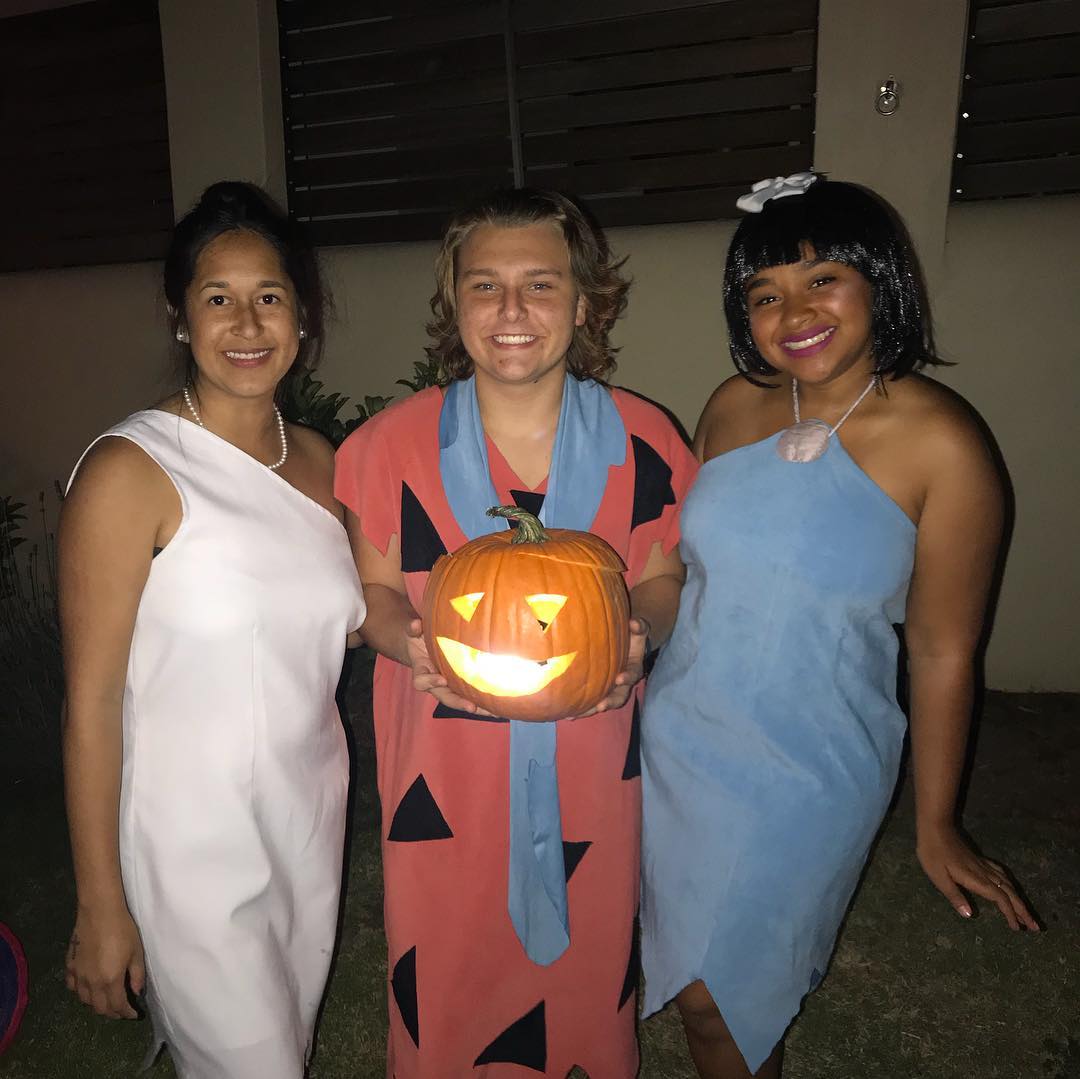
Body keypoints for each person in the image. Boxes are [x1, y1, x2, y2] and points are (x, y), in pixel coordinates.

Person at [640, 174, 1039, 1079]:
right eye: (765, 294)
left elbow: (942, 650)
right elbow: (688, 571)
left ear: (879, 281)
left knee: (728, 996)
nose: (794, 313)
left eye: (823, 279)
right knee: (690, 981)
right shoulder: (731, 406)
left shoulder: (944, 444)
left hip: (812, 762)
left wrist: (936, 822)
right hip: (681, 743)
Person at [335, 187, 697, 1077]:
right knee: (444, 970)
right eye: (484, 285)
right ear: (452, 301)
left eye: (540, 284)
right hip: (440, 774)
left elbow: (661, 576)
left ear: (584, 303)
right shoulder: (389, 446)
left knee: (587, 982)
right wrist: (409, 640)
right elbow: (371, 591)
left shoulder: (644, 439)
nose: (511, 311)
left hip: (591, 764)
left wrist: (639, 635)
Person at [59, 181, 366, 1077]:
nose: (247, 323)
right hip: (188, 843)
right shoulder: (130, 470)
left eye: (269, 296)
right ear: (180, 316)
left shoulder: (323, 464)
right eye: (218, 298)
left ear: (301, 316)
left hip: (307, 817)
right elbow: (91, 701)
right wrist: (100, 903)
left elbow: (339, 629)